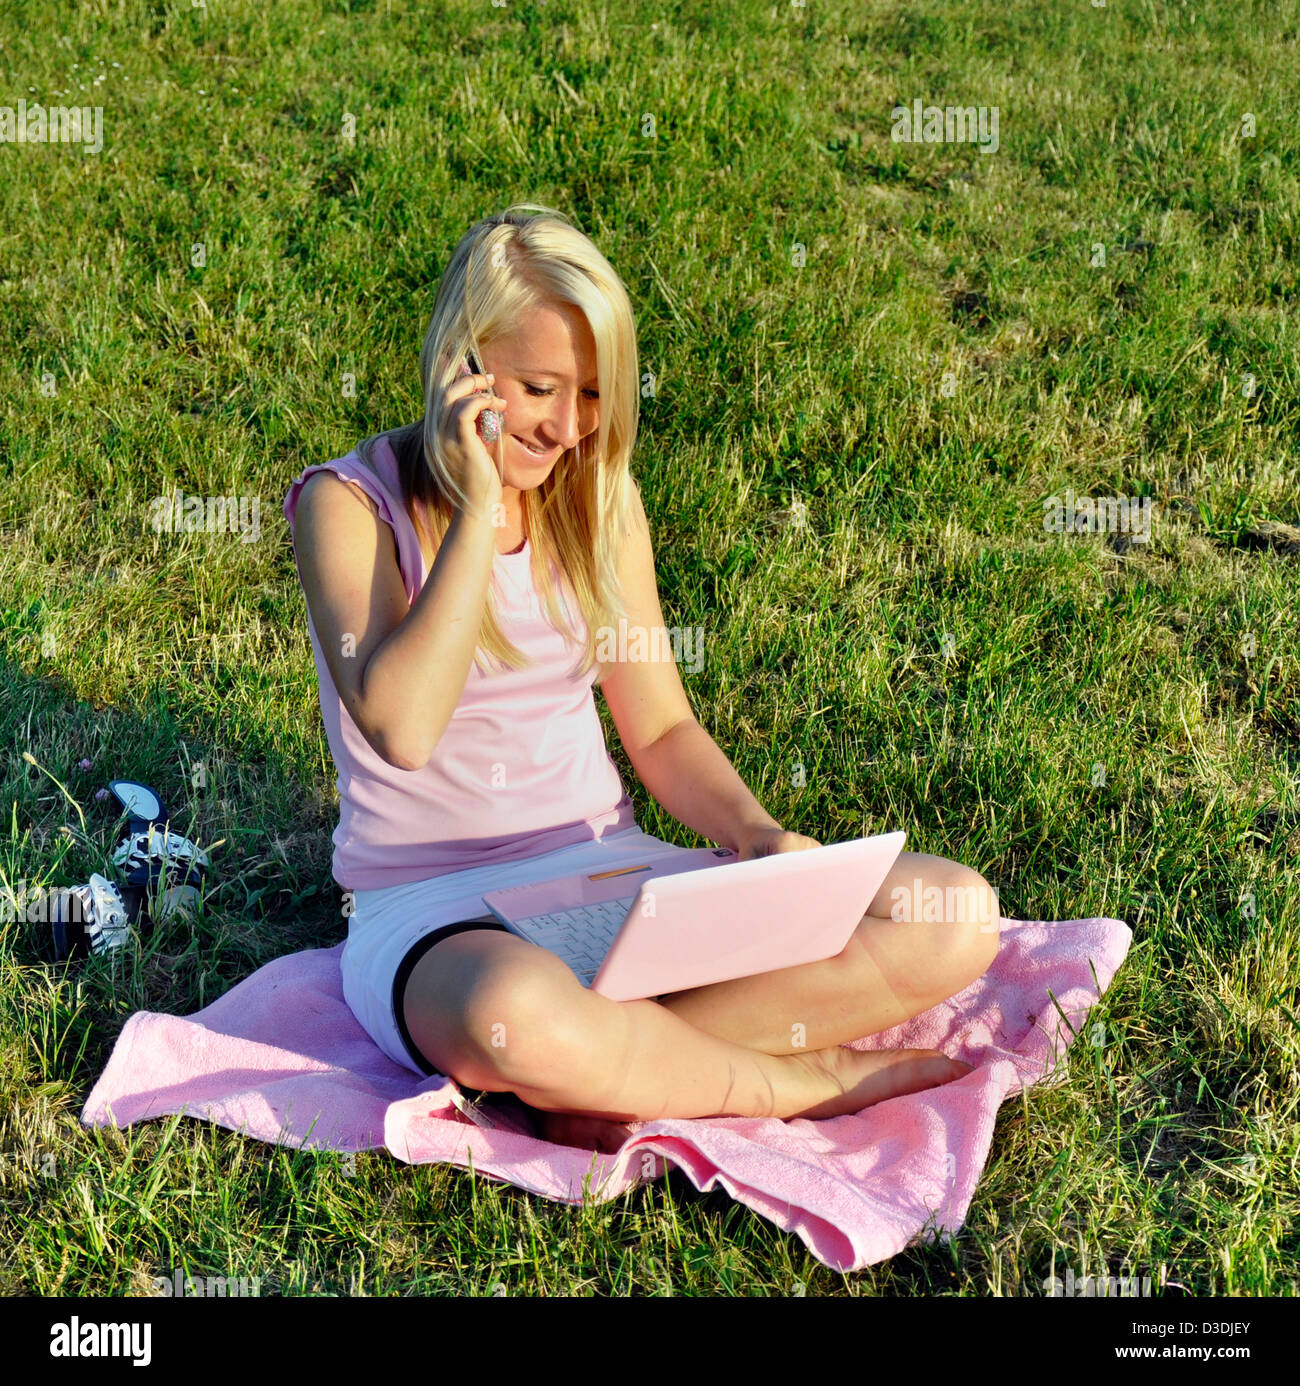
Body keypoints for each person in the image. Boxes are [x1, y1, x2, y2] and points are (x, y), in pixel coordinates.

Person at [283, 205, 1000, 1153]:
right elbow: (403, 727)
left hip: (613, 879)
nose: (572, 428)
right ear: (462, 364)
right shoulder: (346, 506)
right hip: (436, 917)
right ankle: (798, 1083)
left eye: (593, 395)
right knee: (519, 1011)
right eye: (541, 387)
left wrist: (756, 833)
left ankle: (602, 1070)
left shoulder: (601, 503)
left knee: (952, 916)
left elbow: (659, 728)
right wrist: (477, 508)